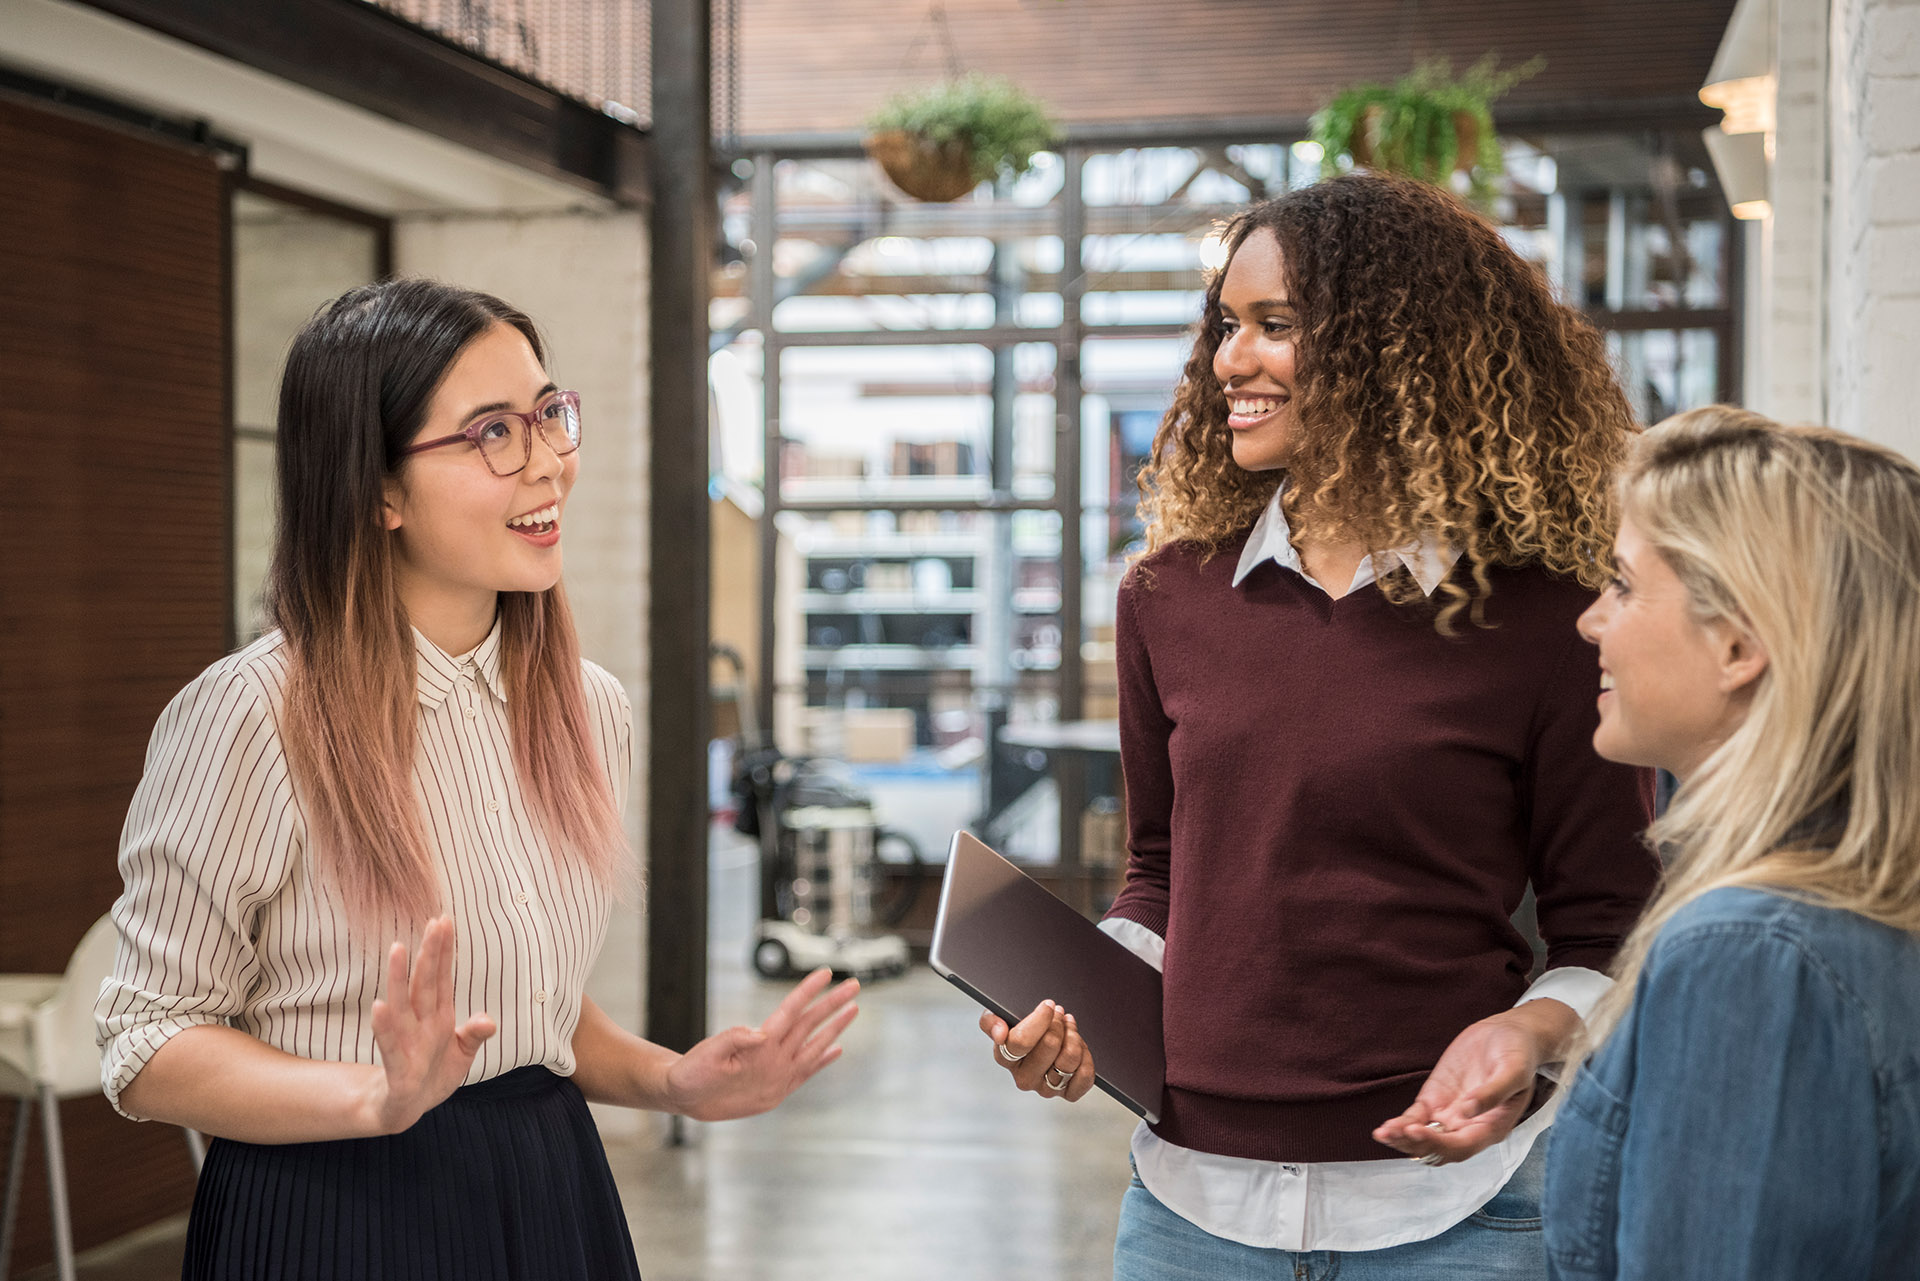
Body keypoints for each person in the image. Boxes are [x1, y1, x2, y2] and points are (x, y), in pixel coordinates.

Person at [95, 278, 859, 1280]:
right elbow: (147, 1042)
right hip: (333, 1212)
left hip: (550, 1186)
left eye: (549, 416)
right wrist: (377, 1100)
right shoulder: (251, 715)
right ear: (378, 488)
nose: (548, 463)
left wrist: (676, 1081)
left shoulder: (588, 709)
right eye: (492, 433)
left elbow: (534, 1012)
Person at [978, 174, 1660, 1278]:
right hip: (1188, 1217)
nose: (1229, 363)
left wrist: (1531, 1037)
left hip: (1461, 1222)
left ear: (1398, 346)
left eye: (1275, 326)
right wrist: (1088, 1001)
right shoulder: (1169, 595)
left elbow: (1607, 927)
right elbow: (1161, 871)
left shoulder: (1547, 617)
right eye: (1225, 327)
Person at [1546, 408, 1920, 1278]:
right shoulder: (1829, 901)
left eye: (1625, 585)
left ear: (1739, 644)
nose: (1590, 623)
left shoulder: (1752, 954)